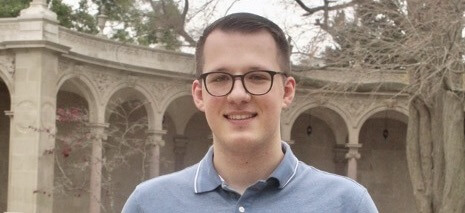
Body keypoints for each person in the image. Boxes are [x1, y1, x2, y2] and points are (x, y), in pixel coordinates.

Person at [122, 12, 378, 213]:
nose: (238, 95)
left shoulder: (347, 205)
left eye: (257, 77)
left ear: (287, 91)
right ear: (199, 94)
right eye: (220, 78)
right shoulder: (148, 205)